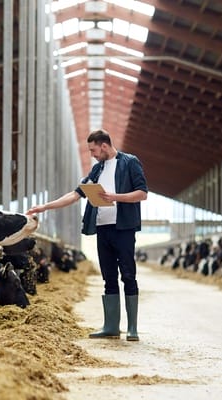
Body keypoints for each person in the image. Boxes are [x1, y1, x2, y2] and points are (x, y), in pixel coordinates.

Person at [26, 129, 148, 341]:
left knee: (128, 274)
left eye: (93, 150)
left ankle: (132, 329)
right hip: (103, 228)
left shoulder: (129, 162)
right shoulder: (96, 170)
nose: (92, 154)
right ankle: (111, 326)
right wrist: (44, 206)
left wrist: (114, 196)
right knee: (108, 277)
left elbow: (142, 193)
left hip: (124, 228)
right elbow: (74, 195)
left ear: (104, 145)